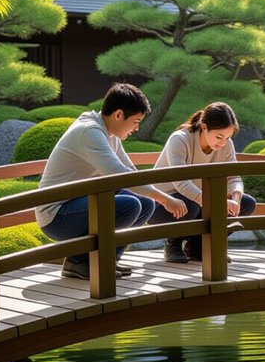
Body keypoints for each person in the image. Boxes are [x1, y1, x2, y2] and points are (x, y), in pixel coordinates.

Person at [35, 83, 187, 279]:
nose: (136, 128)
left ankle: (106, 260)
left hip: (77, 203)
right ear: (118, 115)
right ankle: (78, 262)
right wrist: (166, 200)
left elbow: (130, 170)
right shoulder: (89, 132)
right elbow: (118, 174)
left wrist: (159, 197)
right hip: (57, 215)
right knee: (130, 205)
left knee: (146, 204)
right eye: (135, 121)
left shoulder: (108, 132)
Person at [149, 101, 256, 262]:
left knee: (247, 203)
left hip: (201, 200)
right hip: (163, 203)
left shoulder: (226, 146)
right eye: (219, 136)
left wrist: (235, 197)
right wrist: (215, 201)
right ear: (204, 127)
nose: (223, 142)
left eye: (228, 137)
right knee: (188, 206)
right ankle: (173, 244)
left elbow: (233, 177)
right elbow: (182, 184)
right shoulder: (180, 139)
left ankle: (198, 246)